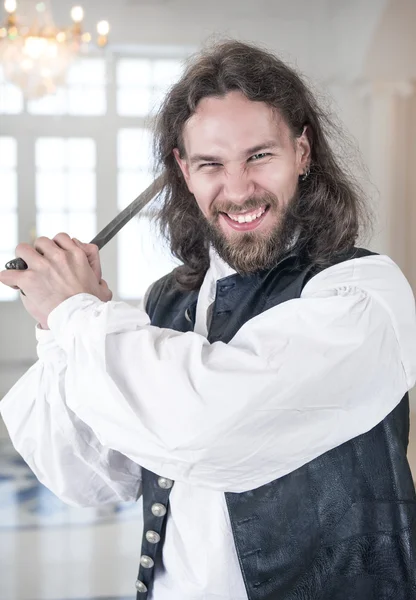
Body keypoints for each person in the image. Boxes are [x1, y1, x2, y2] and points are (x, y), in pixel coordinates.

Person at [0, 39, 416, 600]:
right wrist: (60, 327)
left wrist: (78, 316)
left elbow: (207, 424)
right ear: (183, 171)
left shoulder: (361, 293)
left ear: (303, 152)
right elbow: (94, 478)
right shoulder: (166, 302)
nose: (238, 189)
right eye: (211, 164)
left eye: (260, 156)